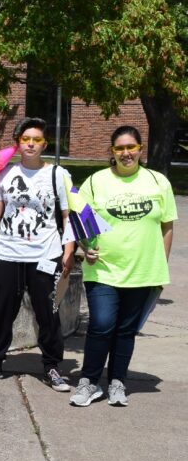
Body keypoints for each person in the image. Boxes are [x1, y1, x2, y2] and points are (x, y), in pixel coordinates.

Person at [0, 117, 75, 392]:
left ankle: (52, 367)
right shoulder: (5, 173)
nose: (31, 144)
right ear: (18, 143)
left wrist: (68, 250)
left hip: (45, 254)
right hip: (7, 253)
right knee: (2, 312)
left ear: (45, 144)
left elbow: (69, 216)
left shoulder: (58, 174)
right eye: (26, 139)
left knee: (48, 312)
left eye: (36, 140)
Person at [70, 126, 176, 407]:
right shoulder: (95, 182)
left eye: (131, 147)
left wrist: (159, 265)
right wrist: (84, 248)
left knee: (126, 330)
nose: (126, 153)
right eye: (120, 148)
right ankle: (89, 382)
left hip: (142, 271)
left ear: (141, 149)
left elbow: (167, 227)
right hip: (103, 268)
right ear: (112, 151)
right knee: (102, 325)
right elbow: (81, 221)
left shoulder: (158, 182)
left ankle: (118, 382)